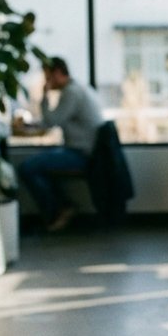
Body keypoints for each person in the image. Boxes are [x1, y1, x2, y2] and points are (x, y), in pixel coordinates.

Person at [16, 56, 105, 232]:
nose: (46, 81)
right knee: (40, 162)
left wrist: (45, 95)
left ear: (57, 73)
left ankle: (58, 210)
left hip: (82, 154)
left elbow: (51, 121)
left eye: (47, 77)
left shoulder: (71, 92)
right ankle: (61, 206)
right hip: (82, 149)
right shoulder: (78, 88)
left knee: (27, 168)